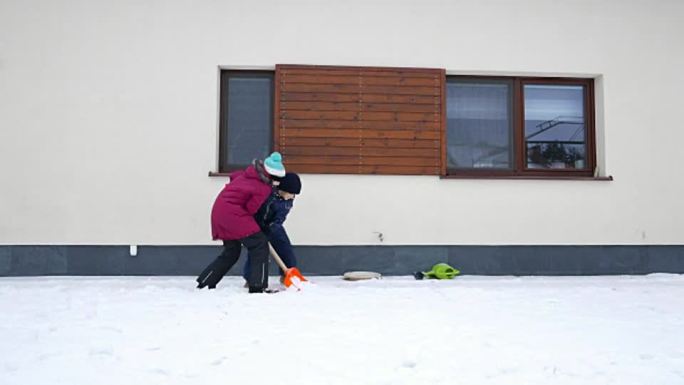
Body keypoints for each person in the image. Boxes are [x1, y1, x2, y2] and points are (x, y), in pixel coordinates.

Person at [196, 152, 285, 293]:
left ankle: (205, 282)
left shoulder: (247, 174)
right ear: (272, 175)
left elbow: (233, 177)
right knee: (260, 244)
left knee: (232, 251)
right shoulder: (263, 187)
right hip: (234, 215)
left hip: (219, 211)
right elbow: (251, 208)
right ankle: (258, 286)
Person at [242, 172, 302, 286]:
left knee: (285, 248)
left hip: (274, 226)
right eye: (291, 193)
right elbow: (256, 210)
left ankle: (287, 273)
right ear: (283, 189)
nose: (292, 197)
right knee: (258, 252)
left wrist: (273, 227)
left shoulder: (288, 201)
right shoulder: (268, 195)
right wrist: (257, 228)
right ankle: (251, 279)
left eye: (294, 195)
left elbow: (280, 218)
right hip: (257, 226)